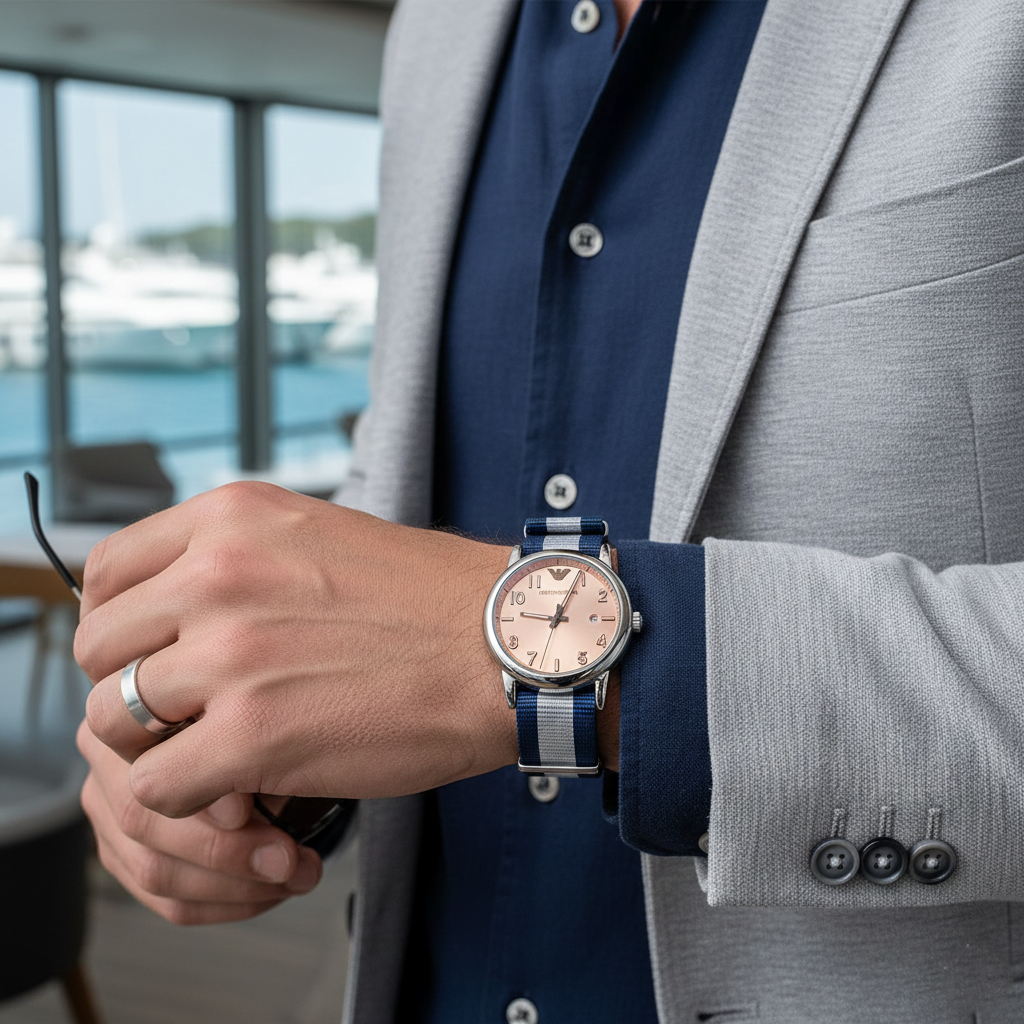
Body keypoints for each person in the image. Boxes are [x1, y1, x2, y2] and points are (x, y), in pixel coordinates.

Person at [75, 0, 1024, 1021]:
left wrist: (560, 663)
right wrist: (254, 734)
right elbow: (412, 487)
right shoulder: (436, 29)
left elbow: (453, 629)